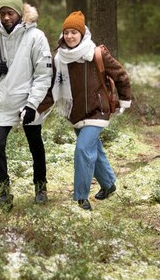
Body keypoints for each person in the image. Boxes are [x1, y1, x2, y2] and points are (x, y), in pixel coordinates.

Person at [38, 11, 131, 211]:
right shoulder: (59, 58)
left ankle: (81, 197)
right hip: (76, 112)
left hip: (98, 111)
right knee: (93, 150)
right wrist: (35, 110)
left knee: (82, 150)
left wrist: (124, 99)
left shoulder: (96, 53)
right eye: (67, 32)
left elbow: (121, 75)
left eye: (74, 32)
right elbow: (51, 89)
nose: (70, 36)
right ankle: (108, 184)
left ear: (82, 34)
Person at [0, 0, 53, 209]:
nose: (6, 17)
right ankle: (3, 193)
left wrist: (32, 104)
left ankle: (41, 188)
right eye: (3, 13)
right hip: (3, 101)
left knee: (35, 144)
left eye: (11, 13)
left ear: (20, 13)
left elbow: (43, 75)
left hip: (29, 101)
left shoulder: (36, 37)